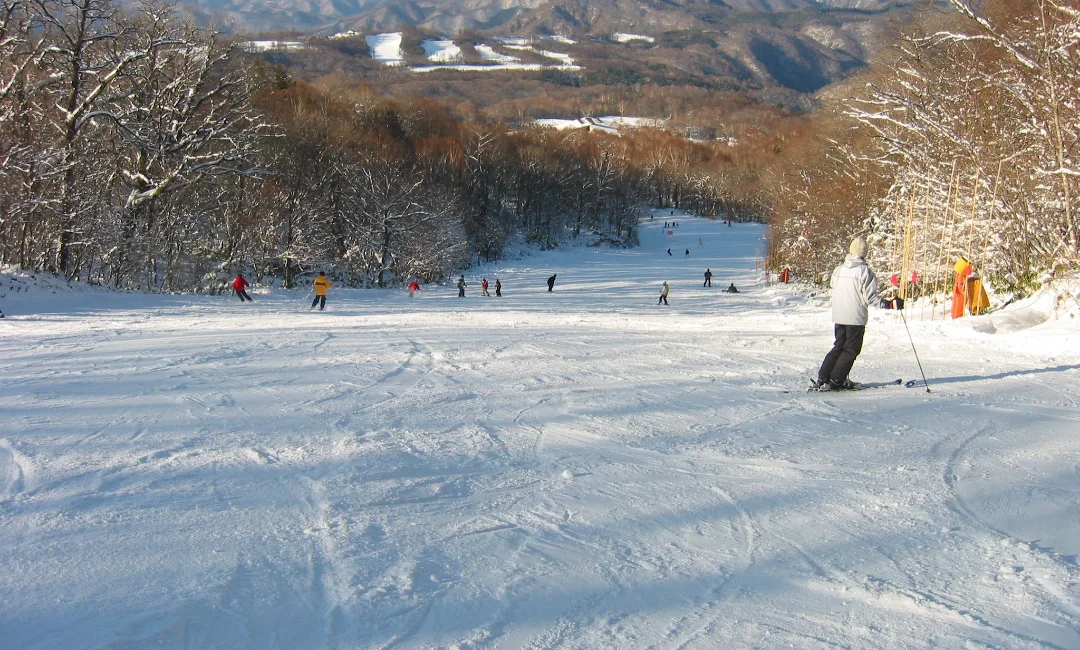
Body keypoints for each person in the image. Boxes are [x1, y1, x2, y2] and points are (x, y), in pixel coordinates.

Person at [814, 236, 881, 391]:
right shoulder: (865, 272)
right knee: (851, 349)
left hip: (839, 315)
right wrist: (887, 303)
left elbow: (833, 289)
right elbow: (870, 297)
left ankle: (823, 377)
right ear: (865, 253)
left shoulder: (839, 270)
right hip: (855, 317)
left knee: (839, 345)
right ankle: (837, 380)